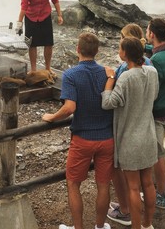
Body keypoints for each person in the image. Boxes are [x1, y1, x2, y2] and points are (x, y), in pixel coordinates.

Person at [42, 32, 113, 229]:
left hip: (83, 139)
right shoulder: (107, 73)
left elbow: (70, 108)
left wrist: (52, 117)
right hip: (107, 138)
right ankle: (100, 226)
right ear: (97, 51)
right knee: (104, 184)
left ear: (78, 50)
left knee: (73, 183)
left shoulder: (71, 75)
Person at [102, 37, 159, 229]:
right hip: (148, 135)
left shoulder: (126, 76)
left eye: (120, 48)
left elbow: (108, 103)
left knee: (133, 187)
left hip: (130, 140)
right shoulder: (152, 71)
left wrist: (110, 80)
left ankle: (135, 227)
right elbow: (155, 95)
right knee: (148, 184)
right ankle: (147, 225)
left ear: (125, 53)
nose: (118, 50)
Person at [145, 18, 165, 209]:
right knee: (159, 148)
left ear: (152, 34)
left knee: (158, 153)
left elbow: (152, 88)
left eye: (147, 31)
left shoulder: (155, 61)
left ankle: (161, 193)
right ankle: (161, 185)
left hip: (156, 112)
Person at [16, 0, 63, 72]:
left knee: (48, 43)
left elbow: (55, 0)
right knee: (32, 44)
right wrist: (19, 22)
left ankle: (47, 68)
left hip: (45, 15)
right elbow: (24, 5)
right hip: (30, 17)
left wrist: (60, 15)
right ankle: (33, 69)